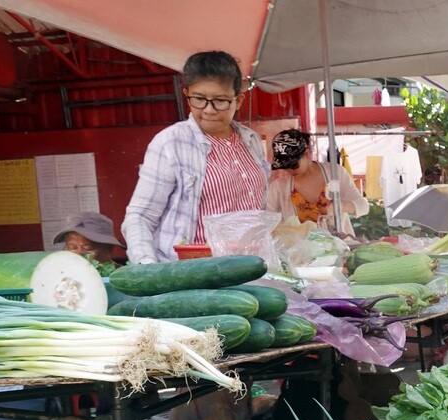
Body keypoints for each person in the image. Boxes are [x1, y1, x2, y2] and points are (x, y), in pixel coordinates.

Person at [122, 51, 270, 264]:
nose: (209, 110)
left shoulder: (251, 140)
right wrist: (148, 268)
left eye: (220, 100)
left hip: (248, 268)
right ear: (187, 94)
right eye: (199, 99)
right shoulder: (170, 142)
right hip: (193, 275)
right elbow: (140, 217)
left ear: (238, 100)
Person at [266, 128, 368, 233]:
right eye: (285, 166)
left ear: (307, 154)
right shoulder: (279, 186)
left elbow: (363, 206)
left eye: (293, 165)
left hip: (340, 245)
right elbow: (266, 219)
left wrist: (339, 206)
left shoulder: (335, 172)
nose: (290, 170)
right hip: (299, 249)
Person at [53, 212, 124, 266]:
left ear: (108, 249)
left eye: (87, 247)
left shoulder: (123, 279)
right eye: (72, 247)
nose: (79, 253)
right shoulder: (61, 277)